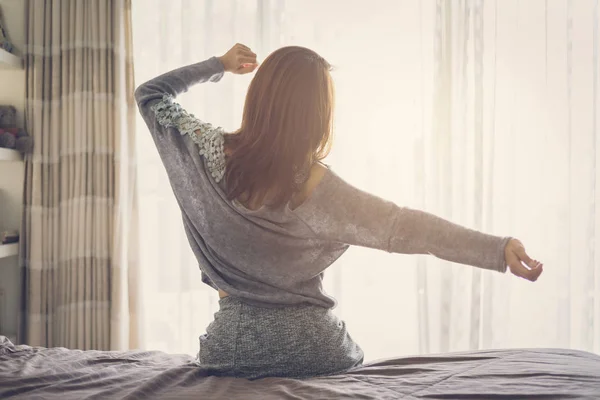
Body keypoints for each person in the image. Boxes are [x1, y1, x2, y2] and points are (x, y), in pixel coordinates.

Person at [135, 43, 543, 380]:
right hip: (316, 350)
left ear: (259, 96)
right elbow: (406, 226)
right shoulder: (315, 185)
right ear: (317, 116)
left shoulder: (199, 148)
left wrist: (219, 65)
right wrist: (497, 249)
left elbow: (149, 95)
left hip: (229, 348)